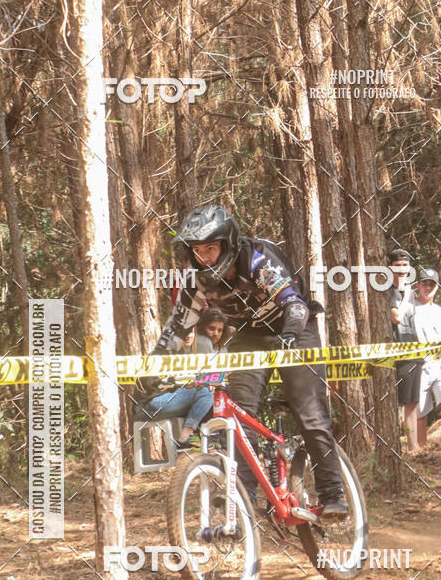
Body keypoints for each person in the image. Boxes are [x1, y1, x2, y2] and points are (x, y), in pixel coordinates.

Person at [148, 203, 349, 518]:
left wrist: (291, 334)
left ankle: (333, 493)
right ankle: (242, 496)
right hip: (250, 334)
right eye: (197, 250)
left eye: (211, 248)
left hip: (295, 326)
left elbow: (295, 305)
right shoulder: (195, 281)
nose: (205, 258)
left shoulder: (257, 259)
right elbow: (176, 329)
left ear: (228, 243)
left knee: (309, 411)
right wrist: (151, 368)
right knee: (238, 415)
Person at [134, 330, 213, 448]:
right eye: (183, 332)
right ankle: (184, 437)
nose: (188, 336)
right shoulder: (162, 354)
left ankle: (205, 436)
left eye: (190, 331)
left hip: (162, 403)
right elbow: (147, 384)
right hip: (148, 406)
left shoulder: (185, 355)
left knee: (209, 390)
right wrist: (177, 384)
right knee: (205, 391)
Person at [388, 248, 422, 452]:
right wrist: (406, 295)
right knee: (397, 402)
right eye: (397, 266)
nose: (402, 269)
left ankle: (413, 447)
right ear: (390, 267)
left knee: (412, 401)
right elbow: (396, 318)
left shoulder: (409, 290)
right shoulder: (389, 290)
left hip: (415, 350)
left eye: (405, 266)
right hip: (395, 351)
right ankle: (396, 446)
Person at [414, 268, 441, 447]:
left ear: (437, 287)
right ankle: (420, 449)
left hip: (440, 364)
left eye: (432, 284)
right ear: (418, 285)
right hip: (418, 365)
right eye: (424, 283)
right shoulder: (410, 308)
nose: (428, 287)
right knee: (420, 410)